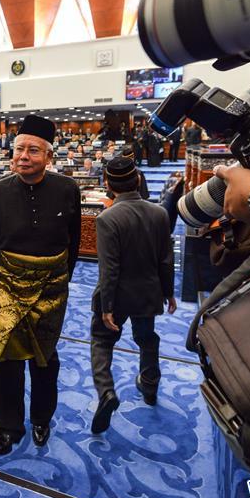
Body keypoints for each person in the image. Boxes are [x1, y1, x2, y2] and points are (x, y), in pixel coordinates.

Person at [0, 115, 81, 455]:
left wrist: (61, 281)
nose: (23, 156)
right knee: (4, 361)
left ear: (48, 156)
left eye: (33, 150)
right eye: (18, 149)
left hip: (52, 290)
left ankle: (41, 418)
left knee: (44, 359)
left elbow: (74, 243)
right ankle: (7, 426)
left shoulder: (68, 190)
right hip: (5, 286)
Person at [89, 157, 176, 433]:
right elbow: (166, 259)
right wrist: (169, 292)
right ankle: (149, 386)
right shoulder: (160, 213)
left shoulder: (107, 218)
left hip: (117, 295)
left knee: (102, 341)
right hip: (148, 293)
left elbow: (110, 268)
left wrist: (106, 306)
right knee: (146, 339)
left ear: (107, 184)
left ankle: (106, 393)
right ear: (138, 179)